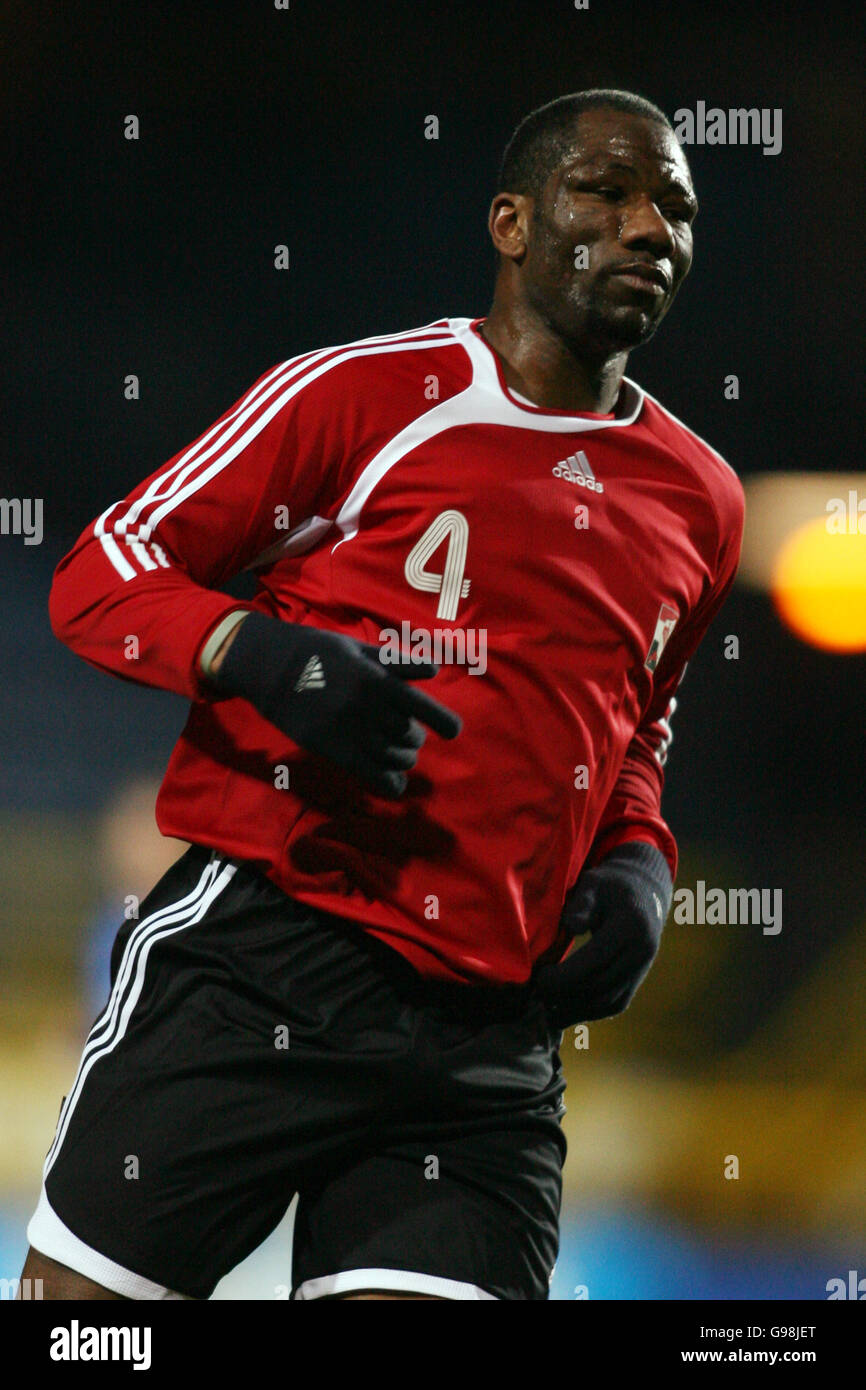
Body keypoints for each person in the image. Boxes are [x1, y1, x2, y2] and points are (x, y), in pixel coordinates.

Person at [21, 88, 744, 1301]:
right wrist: (266, 658)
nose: (644, 230)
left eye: (671, 206)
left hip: (484, 1047)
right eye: (604, 194)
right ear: (510, 223)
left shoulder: (701, 500)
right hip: (264, 966)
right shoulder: (359, 397)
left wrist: (637, 860)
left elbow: (637, 729)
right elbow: (102, 573)